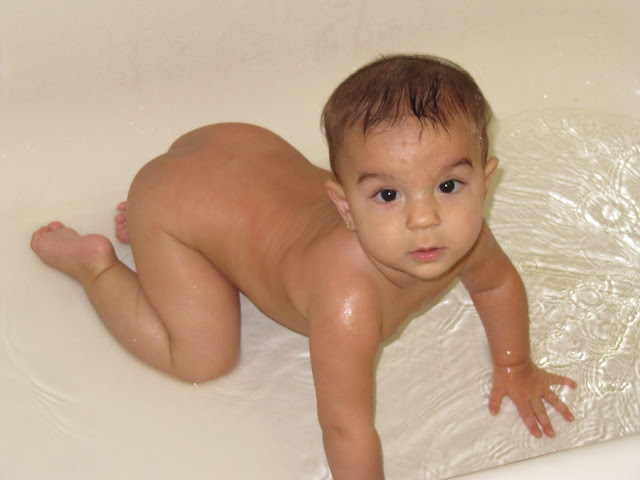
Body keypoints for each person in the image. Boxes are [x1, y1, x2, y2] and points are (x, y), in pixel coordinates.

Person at [30, 54, 577, 480]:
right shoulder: (348, 302)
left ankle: (163, 217)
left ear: (485, 181)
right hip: (178, 198)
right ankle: (98, 265)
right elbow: (345, 426)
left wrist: (515, 365)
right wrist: (157, 212)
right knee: (202, 360)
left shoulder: (466, 236)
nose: (424, 219)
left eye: (449, 185)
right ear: (344, 206)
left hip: (231, 146)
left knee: (239, 215)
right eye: (388, 194)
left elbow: (498, 285)